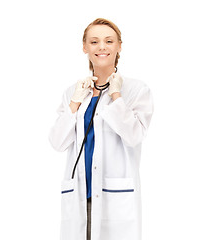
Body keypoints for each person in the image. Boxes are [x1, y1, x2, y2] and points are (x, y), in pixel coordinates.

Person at [49, 18, 154, 240]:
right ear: (85, 47)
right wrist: (75, 102)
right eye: (94, 41)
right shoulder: (73, 92)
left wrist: (116, 96)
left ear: (119, 46)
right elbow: (57, 142)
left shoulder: (136, 90)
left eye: (109, 41)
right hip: (79, 194)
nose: (102, 47)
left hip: (114, 197)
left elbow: (134, 135)